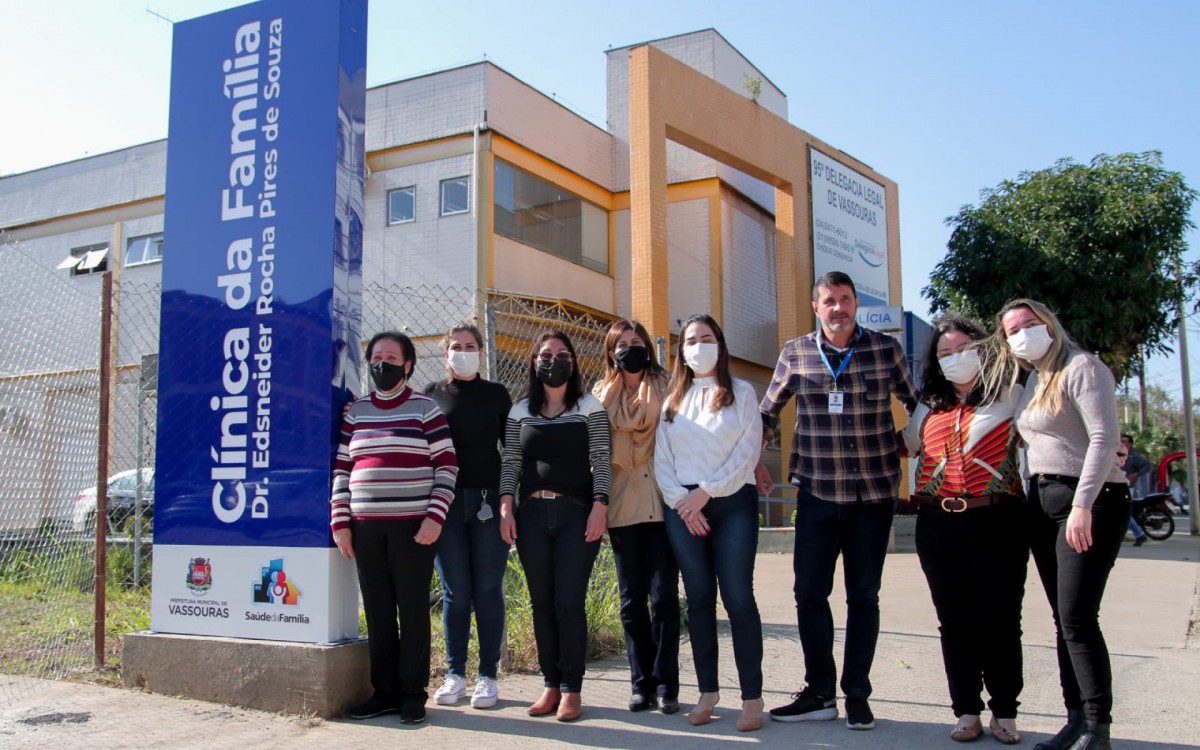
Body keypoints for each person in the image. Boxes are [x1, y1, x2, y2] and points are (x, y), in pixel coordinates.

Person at [759, 271, 917, 731]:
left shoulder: (886, 350)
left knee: (863, 596)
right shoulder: (795, 353)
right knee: (809, 593)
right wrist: (752, 457)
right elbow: (768, 411)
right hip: (817, 493)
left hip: (874, 495)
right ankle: (819, 692)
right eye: (829, 301)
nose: (838, 308)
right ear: (816, 307)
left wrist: (912, 442)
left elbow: (918, 402)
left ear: (855, 303)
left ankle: (857, 696)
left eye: (845, 299)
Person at [992, 298, 1129, 750]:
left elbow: (1104, 437)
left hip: (1089, 502)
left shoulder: (1082, 367)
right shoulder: (1035, 379)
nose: (1022, 333)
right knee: (1062, 619)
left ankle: (1097, 729)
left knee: (1077, 617)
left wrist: (1083, 505)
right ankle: (1074, 720)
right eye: (1013, 330)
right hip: (1044, 505)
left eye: (1029, 324)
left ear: (1050, 323)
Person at [902, 315, 1027, 744]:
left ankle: (1005, 710)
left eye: (962, 349)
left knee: (1000, 617)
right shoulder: (928, 403)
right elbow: (910, 444)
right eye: (945, 353)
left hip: (998, 519)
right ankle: (966, 710)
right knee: (953, 620)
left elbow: (1038, 437)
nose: (955, 358)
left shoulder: (1011, 394)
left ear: (981, 349)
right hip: (938, 523)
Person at [331, 331, 459, 724]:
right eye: (376, 356)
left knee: (414, 610)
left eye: (391, 357)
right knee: (379, 610)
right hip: (365, 527)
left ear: (407, 365)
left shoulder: (426, 409)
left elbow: (447, 466)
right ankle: (383, 692)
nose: (381, 363)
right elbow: (342, 467)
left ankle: (411, 693)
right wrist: (341, 520)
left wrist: (434, 518)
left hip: (413, 529)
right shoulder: (356, 411)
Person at [654, 314, 765, 732]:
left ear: (719, 343)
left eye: (705, 338)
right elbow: (662, 459)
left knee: (738, 598)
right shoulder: (672, 399)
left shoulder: (742, 392)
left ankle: (752, 698)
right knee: (698, 599)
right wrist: (684, 502)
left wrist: (707, 492)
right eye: (689, 340)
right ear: (681, 351)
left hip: (731, 503)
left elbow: (747, 451)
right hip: (683, 510)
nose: (698, 345)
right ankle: (708, 693)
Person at [498, 331, 611, 722]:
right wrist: (506, 507)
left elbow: (601, 458)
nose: (554, 360)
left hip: (576, 515)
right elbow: (511, 461)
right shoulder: (518, 412)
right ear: (534, 362)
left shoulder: (590, 406)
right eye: (546, 354)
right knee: (541, 603)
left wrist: (600, 506)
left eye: (562, 354)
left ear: (573, 362)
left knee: (568, 603)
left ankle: (571, 690)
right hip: (529, 515)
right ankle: (549, 684)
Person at [592, 320, 681, 714]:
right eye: (622, 344)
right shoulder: (599, 397)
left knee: (663, 598)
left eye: (637, 342)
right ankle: (640, 683)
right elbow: (594, 454)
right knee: (632, 601)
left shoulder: (669, 387)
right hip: (622, 507)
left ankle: (667, 686)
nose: (631, 348)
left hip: (664, 505)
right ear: (612, 352)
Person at [424, 325, 513, 709]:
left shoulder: (497, 394)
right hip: (443, 503)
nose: (464, 352)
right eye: (456, 347)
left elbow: (513, 452)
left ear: (480, 350)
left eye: (471, 346)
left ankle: (488, 677)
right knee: (456, 592)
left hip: (487, 503)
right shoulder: (430, 395)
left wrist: (510, 502)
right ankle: (456, 674)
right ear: (445, 354)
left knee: (488, 590)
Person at [1119, 435, 1151, 546]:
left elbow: (1147, 466)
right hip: (1116, 486)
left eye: (1124, 441)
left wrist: (1136, 474)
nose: (1121, 443)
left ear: (1130, 444)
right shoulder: (1118, 453)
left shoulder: (1134, 456)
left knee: (1123, 512)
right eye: (1120, 441)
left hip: (1127, 487)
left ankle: (1139, 534)